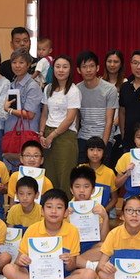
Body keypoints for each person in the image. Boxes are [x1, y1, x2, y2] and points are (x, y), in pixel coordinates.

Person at [1, 189, 97, 279]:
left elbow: (72, 266)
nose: (54, 211)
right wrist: (22, 260)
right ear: (42, 211)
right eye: (49, 207)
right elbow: (18, 262)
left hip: (61, 275)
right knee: (8, 269)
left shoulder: (72, 231)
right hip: (35, 274)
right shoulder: (32, 229)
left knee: (90, 275)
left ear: (66, 212)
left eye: (59, 207)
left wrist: (69, 261)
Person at [39, 56, 81, 193]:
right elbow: (44, 113)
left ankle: (66, 206)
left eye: (65, 67)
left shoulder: (73, 90)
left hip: (65, 136)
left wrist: (52, 136)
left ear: (70, 70)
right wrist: (41, 133)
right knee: (49, 176)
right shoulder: (48, 88)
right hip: (47, 134)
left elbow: (70, 119)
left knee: (65, 177)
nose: (61, 70)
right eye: (57, 66)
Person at [2, 48, 43, 169]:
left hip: (26, 134)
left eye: (21, 62)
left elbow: (30, 114)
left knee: (28, 169)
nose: (17, 66)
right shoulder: (12, 84)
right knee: (12, 171)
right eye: (14, 62)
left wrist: (9, 110)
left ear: (28, 64)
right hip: (12, 133)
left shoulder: (32, 86)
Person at [75, 50, 118, 163]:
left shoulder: (110, 89)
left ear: (97, 68)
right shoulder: (76, 89)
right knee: (82, 171)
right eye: (84, 67)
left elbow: (109, 121)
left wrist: (102, 146)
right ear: (78, 70)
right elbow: (77, 118)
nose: (88, 70)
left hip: (103, 138)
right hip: (84, 137)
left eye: (91, 66)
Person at [68, 165, 111, 266]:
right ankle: (86, 264)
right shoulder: (65, 209)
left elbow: (103, 239)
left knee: (104, 248)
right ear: (71, 190)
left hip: (90, 248)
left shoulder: (98, 208)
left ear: (93, 190)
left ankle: (76, 263)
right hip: (71, 248)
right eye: (77, 186)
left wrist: (105, 217)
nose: (81, 190)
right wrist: (64, 217)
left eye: (86, 186)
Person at [81, 137, 116, 212]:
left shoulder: (109, 173)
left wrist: (103, 212)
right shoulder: (80, 169)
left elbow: (114, 199)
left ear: (104, 152)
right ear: (86, 151)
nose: (95, 153)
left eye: (99, 150)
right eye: (91, 149)